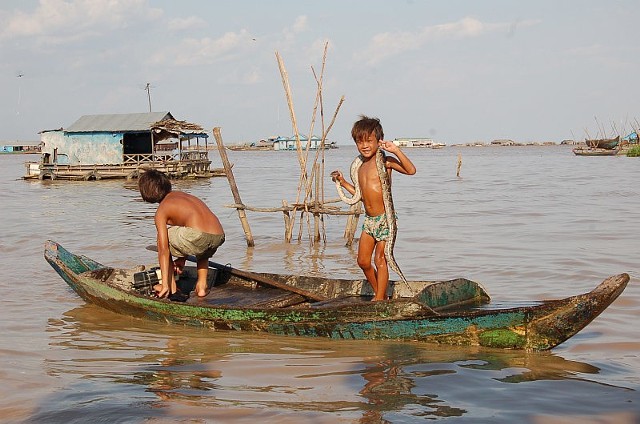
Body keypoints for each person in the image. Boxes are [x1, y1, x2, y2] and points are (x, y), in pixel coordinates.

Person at [331, 116, 416, 301]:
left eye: (369, 141)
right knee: (362, 261)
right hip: (369, 221)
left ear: (379, 141)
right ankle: (382, 295)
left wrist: (396, 150)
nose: (365, 145)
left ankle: (378, 299)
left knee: (380, 259)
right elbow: (359, 195)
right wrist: (343, 182)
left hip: (385, 219)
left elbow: (411, 170)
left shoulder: (385, 161)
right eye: (360, 142)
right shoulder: (359, 166)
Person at [138, 169, 225, 298]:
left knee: (163, 239)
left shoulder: (161, 211)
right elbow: (194, 230)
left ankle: (170, 287)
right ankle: (201, 285)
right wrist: (182, 259)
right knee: (202, 247)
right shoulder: (181, 196)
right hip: (218, 235)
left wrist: (165, 284)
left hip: (198, 236)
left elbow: (163, 249)